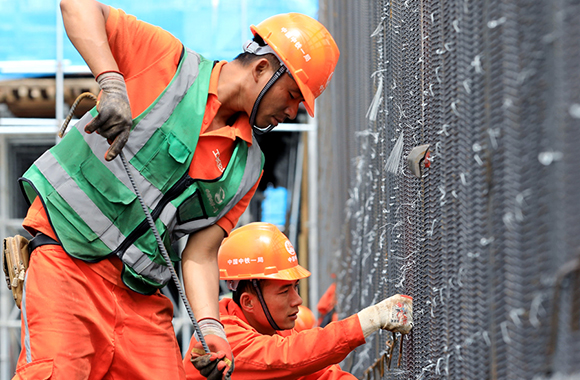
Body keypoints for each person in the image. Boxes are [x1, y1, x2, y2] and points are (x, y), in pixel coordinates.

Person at [12, 0, 340, 379]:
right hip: (68, 260)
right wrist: (112, 82)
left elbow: (200, 254)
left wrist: (211, 328)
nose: (292, 111)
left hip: (139, 293)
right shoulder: (167, 62)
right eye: (294, 94)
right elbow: (77, 5)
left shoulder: (248, 167)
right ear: (264, 68)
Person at [184, 222, 413, 380]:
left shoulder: (275, 330)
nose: (298, 300)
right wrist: (369, 320)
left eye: (296, 287)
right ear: (248, 302)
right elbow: (287, 357)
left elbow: (321, 374)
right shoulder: (222, 339)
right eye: (284, 291)